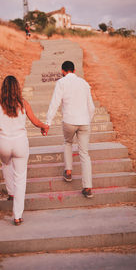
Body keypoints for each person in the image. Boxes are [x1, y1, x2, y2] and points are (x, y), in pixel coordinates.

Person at [0, 75, 48, 225]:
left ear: (4, 89)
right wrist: (44, 127)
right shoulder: (24, 103)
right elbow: (35, 121)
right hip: (20, 143)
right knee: (20, 178)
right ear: (17, 88)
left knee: (6, 164)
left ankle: (11, 192)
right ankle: (17, 216)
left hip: (4, 143)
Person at [45, 61, 95, 198]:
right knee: (84, 154)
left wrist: (47, 122)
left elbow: (54, 103)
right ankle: (88, 187)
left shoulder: (61, 83)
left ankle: (68, 171)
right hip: (84, 122)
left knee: (68, 142)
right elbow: (91, 107)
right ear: (74, 70)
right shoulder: (84, 83)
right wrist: (87, 120)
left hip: (69, 121)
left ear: (62, 70)